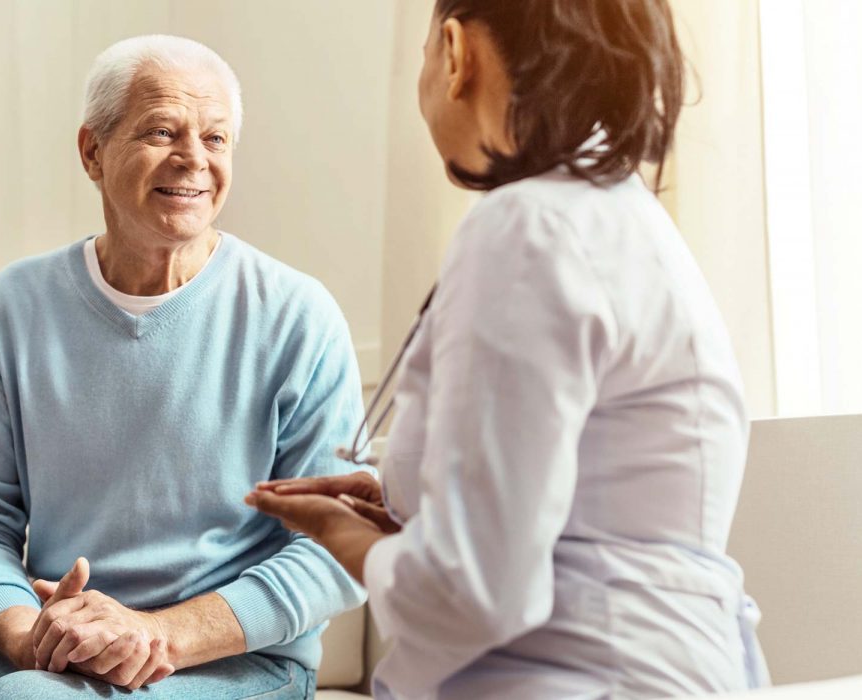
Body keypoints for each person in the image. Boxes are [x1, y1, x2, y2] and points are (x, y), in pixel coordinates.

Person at [0, 34, 363, 700]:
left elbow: (339, 545)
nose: (193, 159)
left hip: (236, 662)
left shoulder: (298, 315)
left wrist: (157, 634)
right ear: (92, 151)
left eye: (216, 139)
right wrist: (29, 634)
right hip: (53, 654)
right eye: (163, 131)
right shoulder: (11, 310)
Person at [247, 1, 771, 698]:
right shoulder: (617, 214)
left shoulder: (527, 225)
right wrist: (408, 512)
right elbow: (579, 509)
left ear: (456, 54)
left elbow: (474, 592)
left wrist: (339, 535)